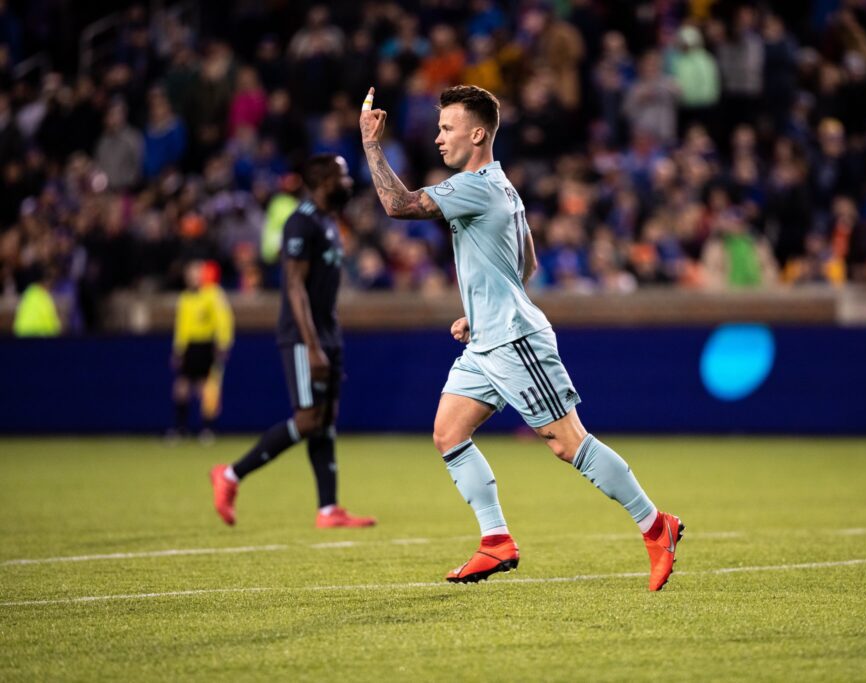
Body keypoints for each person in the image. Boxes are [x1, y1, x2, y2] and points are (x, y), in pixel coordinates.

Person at [360, 85, 682, 591]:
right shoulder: (503, 187)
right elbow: (526, 262)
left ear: (477, 134)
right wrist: (479, 311)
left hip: (514, 340)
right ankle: (495, 541)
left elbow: (397, 204)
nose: (439, 138)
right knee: (449, 433)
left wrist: (371, 145)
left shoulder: (474, 187)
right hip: (487, 340)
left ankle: (656, 525)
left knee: (567, 444)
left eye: (447, 128)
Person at [209, 154, 376, 529]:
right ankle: (231, 475)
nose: (348, 182)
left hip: (327, 332)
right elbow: (294, 286)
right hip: (303, 335)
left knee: (325, 418)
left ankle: (328, 509)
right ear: (323, 181)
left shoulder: (328, 221)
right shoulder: (300, 222)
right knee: (307, 418)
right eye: (342, 176)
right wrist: (312, 345)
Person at [170, 260, 234, 443]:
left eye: (197, 273)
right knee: (181, 387)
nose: (193, 277)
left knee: (207, 389)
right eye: (190, 273)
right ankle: (180, 429)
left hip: (207, 344)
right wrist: (178, 350)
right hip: (189, 346)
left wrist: (223, 343)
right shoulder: (185, 298)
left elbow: (224, 320)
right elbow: (181, 327)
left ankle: (208, 428)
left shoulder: (213, 294)